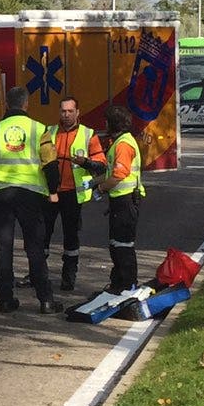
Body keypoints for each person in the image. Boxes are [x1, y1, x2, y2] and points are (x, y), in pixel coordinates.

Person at [0, 98, 59, 313]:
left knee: (3, 248)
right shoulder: (39, 129)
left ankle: (5, 299)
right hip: (31, 194)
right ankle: (46, 300)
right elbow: (50, 164)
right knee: (35, 248)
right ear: (26, 104)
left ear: (6, 105)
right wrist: (53, 191)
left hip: (2, 194)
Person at [42, 97, 106, 294]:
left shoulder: (88, 134)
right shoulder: (50, 132)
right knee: (42, 234)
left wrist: (85, 162)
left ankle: (69, 276)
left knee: (71, 237)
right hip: (50, 191)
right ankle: (37, 274)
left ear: (78, 112)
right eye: (63, 111)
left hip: (72, 193)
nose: (66, 115)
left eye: (70, 111)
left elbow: (102, 165)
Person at [102, 104, 148, 293]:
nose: (105, 125)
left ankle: (127, 285)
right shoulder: (120, 141)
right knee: (116, 244)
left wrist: (101, 188)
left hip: (125, 201)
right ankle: (118, 283)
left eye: (107, 122)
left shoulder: (123, 144)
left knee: (123, 245)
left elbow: (119, 174)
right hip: (120, 201)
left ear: (113, 123)